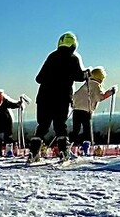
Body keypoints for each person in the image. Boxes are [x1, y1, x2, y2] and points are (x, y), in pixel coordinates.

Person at [32, 33, 85, 161]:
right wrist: (85, 73)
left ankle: (33, 153)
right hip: (61, 98)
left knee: (42, 126)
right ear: (73, 45)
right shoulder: (73, 59)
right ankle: (63, 152)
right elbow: (80, 77)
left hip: (44, 97)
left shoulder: (52, 56)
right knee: (60, 125)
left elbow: (38, 78)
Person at [71, 68, 116, 155]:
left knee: (75, 130)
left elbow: (75, 95)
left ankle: (69, 147)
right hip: (86, 111)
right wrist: (111, 92)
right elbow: (100, 97)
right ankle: (85, 150)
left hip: (76, 110)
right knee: (87, 131)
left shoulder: (86, 84)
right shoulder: (96, 85)